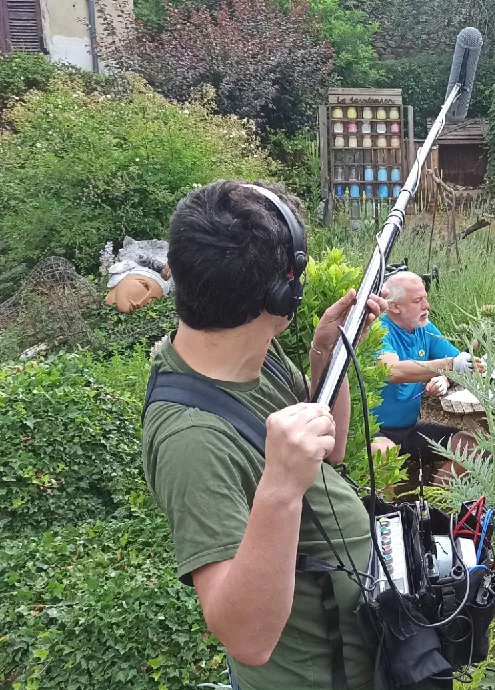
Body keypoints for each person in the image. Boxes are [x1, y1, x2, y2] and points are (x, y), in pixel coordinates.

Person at [141, 180, 389, 690]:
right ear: (281, 293)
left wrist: (328, 356)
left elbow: (330, 447)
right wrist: (279, 486)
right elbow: (246, 638)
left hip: (363, 653)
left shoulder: (250, 349)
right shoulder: (192, 439)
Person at [369, 270, 486, 487]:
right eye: (417, 300)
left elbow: (458, 361)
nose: (427, 306)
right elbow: (392, 371)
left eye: (425, 297)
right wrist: (451, 366)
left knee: (474, 449)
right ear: (394, 306)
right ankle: (389, 517)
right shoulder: (379, 330)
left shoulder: (424, 328)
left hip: (410, 427)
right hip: (374, 431)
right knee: (384, 458)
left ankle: (432, 510)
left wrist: (449, 377)